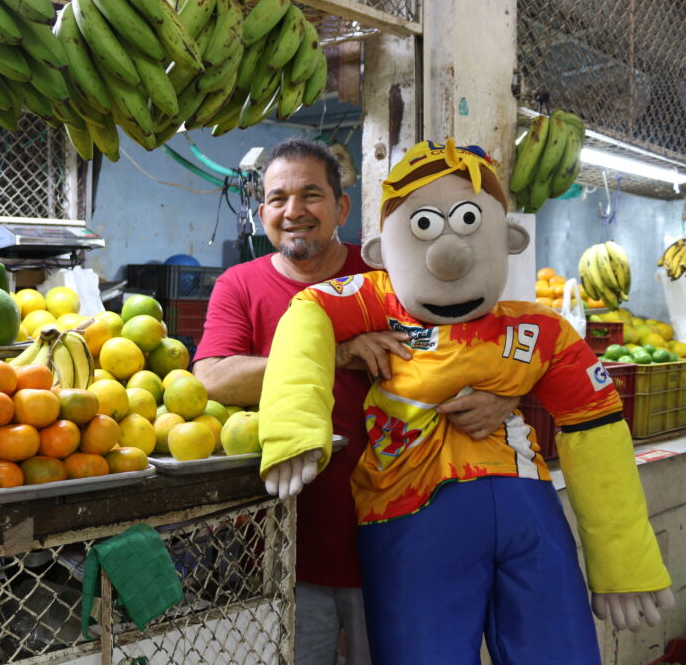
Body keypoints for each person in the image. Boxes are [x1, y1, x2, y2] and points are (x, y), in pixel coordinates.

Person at [258, 139, 673, 663]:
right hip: (411, 518)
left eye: (470, 222)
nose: (448, 256)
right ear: (384, 254)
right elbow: (306, 317)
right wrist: (294, 427)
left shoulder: (540, 328)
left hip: (529, 517)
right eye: (425, 227)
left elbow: (596, 427)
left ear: (507, 239)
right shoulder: (375, 299)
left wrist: (623, 560)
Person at [191, 137, 518, 665]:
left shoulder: (392, 280)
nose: (293, 211)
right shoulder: (240, 286)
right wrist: (336, 354)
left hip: (401, 536)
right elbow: (212, 378)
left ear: (342, 207)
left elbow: (481, 348)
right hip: (288, 546)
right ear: (262, 212)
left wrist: (505, 395)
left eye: (310, 195)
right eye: (277, 199)